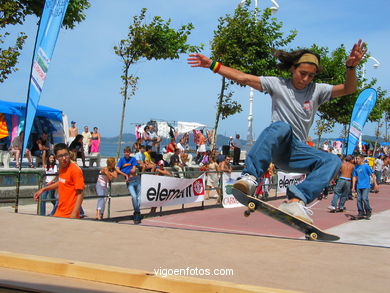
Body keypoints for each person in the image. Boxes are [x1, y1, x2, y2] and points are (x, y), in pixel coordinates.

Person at [188, 39, 366, 224]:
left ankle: (296, 201)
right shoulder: (278, 84)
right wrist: (212, 65)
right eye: (302, 73)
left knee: (332, 160)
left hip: (298, 153)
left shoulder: (317, 91)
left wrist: (350, 68)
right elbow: (244, 77)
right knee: (282, 126)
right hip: (280, 144)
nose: (305, 79)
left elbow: (349, 88)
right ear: (292, 69)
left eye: (310, 76)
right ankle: (250, 176)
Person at [34, 143, 84, 218]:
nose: (64, 158)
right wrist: (44, 189)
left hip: (69, 214)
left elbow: (81, 194)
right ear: (56, 158)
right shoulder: (61, 167)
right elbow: (62, 182)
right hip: (60, 211)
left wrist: (74, 214)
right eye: (60, 156)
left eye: (66, 155)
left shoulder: (75, 170)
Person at [116, 146, 142, 224]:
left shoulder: (133, 159)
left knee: (139, 197)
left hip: (136, 179)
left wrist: (124, 169)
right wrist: (125, 174)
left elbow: (134, 170)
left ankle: (136, 212)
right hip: (129, 181)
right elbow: (117, 169)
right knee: (134, 196)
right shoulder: (121, 160)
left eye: (128, 152)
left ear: (129, 153)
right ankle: (137, 213)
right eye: (125, 152)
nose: (126, 153)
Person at [352, 154, 378, 218]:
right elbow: (354, 177)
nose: (356, 160)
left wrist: (376, 184)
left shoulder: (366, 166)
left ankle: (368, 210)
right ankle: (360, 212)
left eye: (358, 158)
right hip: (359, 186)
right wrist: (353, 186)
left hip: (366, 186)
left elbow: (372, 175)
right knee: (359, 199)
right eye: (356, 158)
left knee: (364, 198)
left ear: (362, 159)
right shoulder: (356, 167)